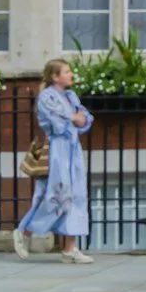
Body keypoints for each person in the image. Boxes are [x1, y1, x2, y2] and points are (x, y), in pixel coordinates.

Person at [14, 58, 92, 264]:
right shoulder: (46, 97)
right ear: (55, 76)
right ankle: (24, 230)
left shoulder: (70, 95)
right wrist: (74, 118)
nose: (71, 75)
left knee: (77, 196)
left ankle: (70, 248)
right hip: (58, 151)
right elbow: (60, 124)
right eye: (66, 71)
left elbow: (84, 118)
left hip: (73, 151)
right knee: (56, 195)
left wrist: (77, 118)